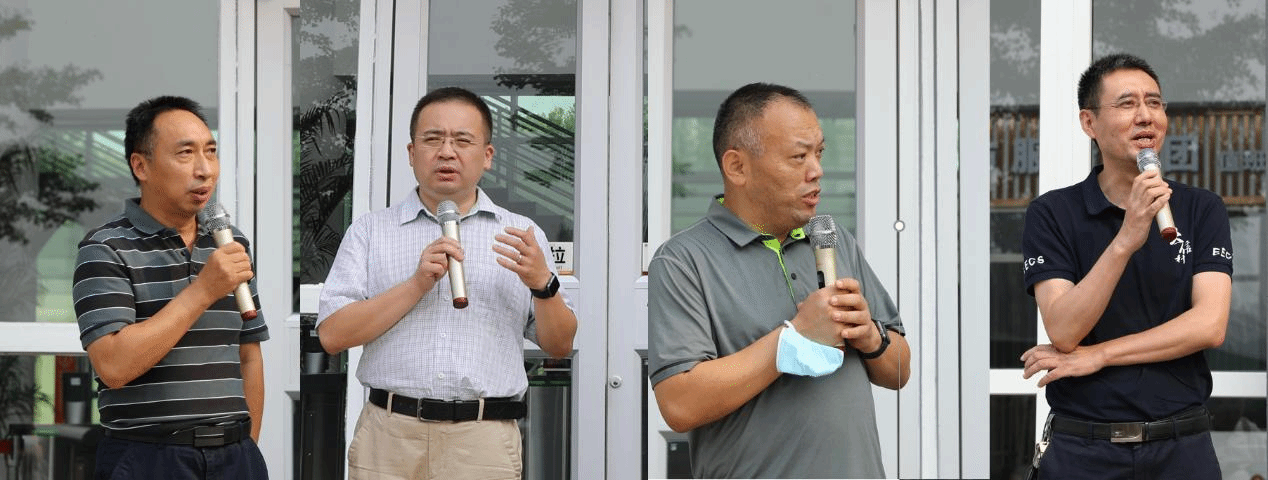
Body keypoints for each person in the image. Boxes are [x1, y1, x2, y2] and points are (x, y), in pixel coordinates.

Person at [648, 82, 911, 478]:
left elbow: (899, 371)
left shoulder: (832, 239)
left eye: (819, 153)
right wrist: (793, 339)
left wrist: (871, 337)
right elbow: (679, 404)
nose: (816, 170)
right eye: (798, 156)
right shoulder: (682, 260)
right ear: (737, 167)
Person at [317, 86, 578, 480]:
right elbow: (333, 336)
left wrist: (544, 285)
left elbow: (559, 344)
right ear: (412, 153)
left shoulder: (521, 234)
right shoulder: (370, 231)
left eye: (462, 140)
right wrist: (416, 285)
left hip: (483, 441)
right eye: (433, 139)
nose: (447, 152)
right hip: (388, 438)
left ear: (487, 156)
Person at [1021, 53, 1233, 478]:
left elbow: (1209, 325)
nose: (1145, 116)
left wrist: (1099, 355)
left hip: (1181, 447)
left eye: (1154, 103)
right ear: (1089, 123)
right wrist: (1125, 240)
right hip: (1084, 449)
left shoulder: (1201, 208)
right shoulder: (1053, 213)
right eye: (1127, 103)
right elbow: (1063, 330)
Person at [73, 96, 269, 479]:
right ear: (141, 166)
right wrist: (203, 291)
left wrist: (248, 447)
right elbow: (113, 366)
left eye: (210, 152)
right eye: (185, 153)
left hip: (235, 457)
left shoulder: (230, 243)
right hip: (147, 457)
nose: (204, 170)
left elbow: (249, 355)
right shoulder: (105, 248)